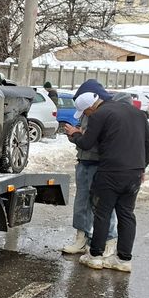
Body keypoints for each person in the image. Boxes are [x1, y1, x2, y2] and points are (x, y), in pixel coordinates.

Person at [62, 88, 149, 272]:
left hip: (110, 172)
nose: (87, 115)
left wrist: (75, 134)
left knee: (102, 213)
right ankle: (123, 260)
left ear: (91, 107)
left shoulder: (100, 114)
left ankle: (95, 256)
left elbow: (87, 143)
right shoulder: (138, 113)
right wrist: (142, 166)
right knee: (127, 215)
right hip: (134, 173)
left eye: (86, 112)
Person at [61, 79, 116, 256]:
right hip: (84, 161)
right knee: (82, 201)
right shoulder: (88, 111)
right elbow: (84, 137)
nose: (85, 113)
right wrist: (75, 135)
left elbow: (103, 140)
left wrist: (79, 135)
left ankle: (109, 240)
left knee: (103, 204)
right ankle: (81, 238)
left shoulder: (107, 113)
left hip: (101, 164)